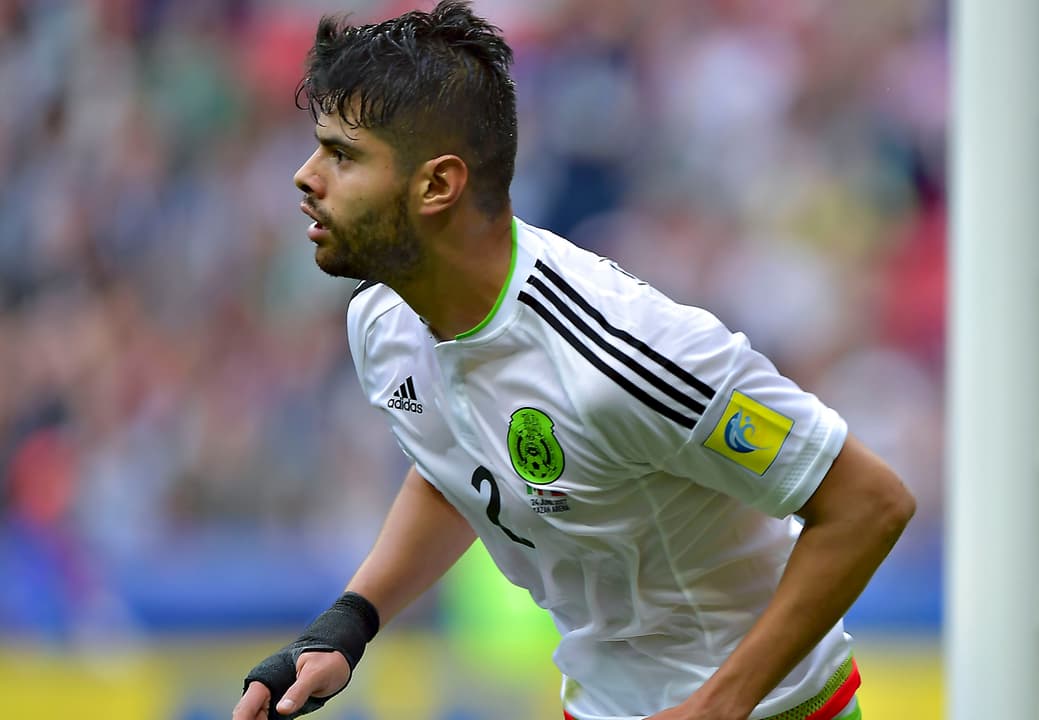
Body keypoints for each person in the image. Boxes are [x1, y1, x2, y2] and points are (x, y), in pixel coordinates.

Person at [232, 3, 915, 720]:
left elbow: (869, 503)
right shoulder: (382, 322)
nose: (305, 177)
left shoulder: (623, 355)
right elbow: (458, 468)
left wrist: (719, 706)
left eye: (342, 155)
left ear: (437, 185)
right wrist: (349, 623)